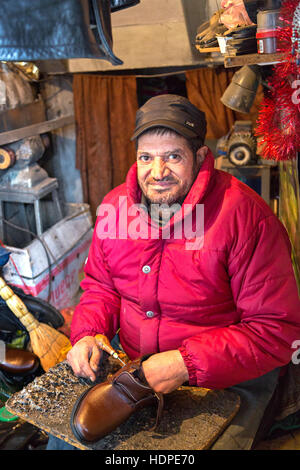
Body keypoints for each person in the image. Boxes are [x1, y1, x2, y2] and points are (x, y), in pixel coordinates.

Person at [48, 94, 300, 450]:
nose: (158, 171)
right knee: (62, 441)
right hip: (134, 363)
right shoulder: (115, 207)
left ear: (199, 157)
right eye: (146, 157)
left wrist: (186, 363)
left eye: (173, 157)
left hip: (226, 376)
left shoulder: (246, 217)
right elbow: (101, 287)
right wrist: (89, 333)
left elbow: (276, 329)